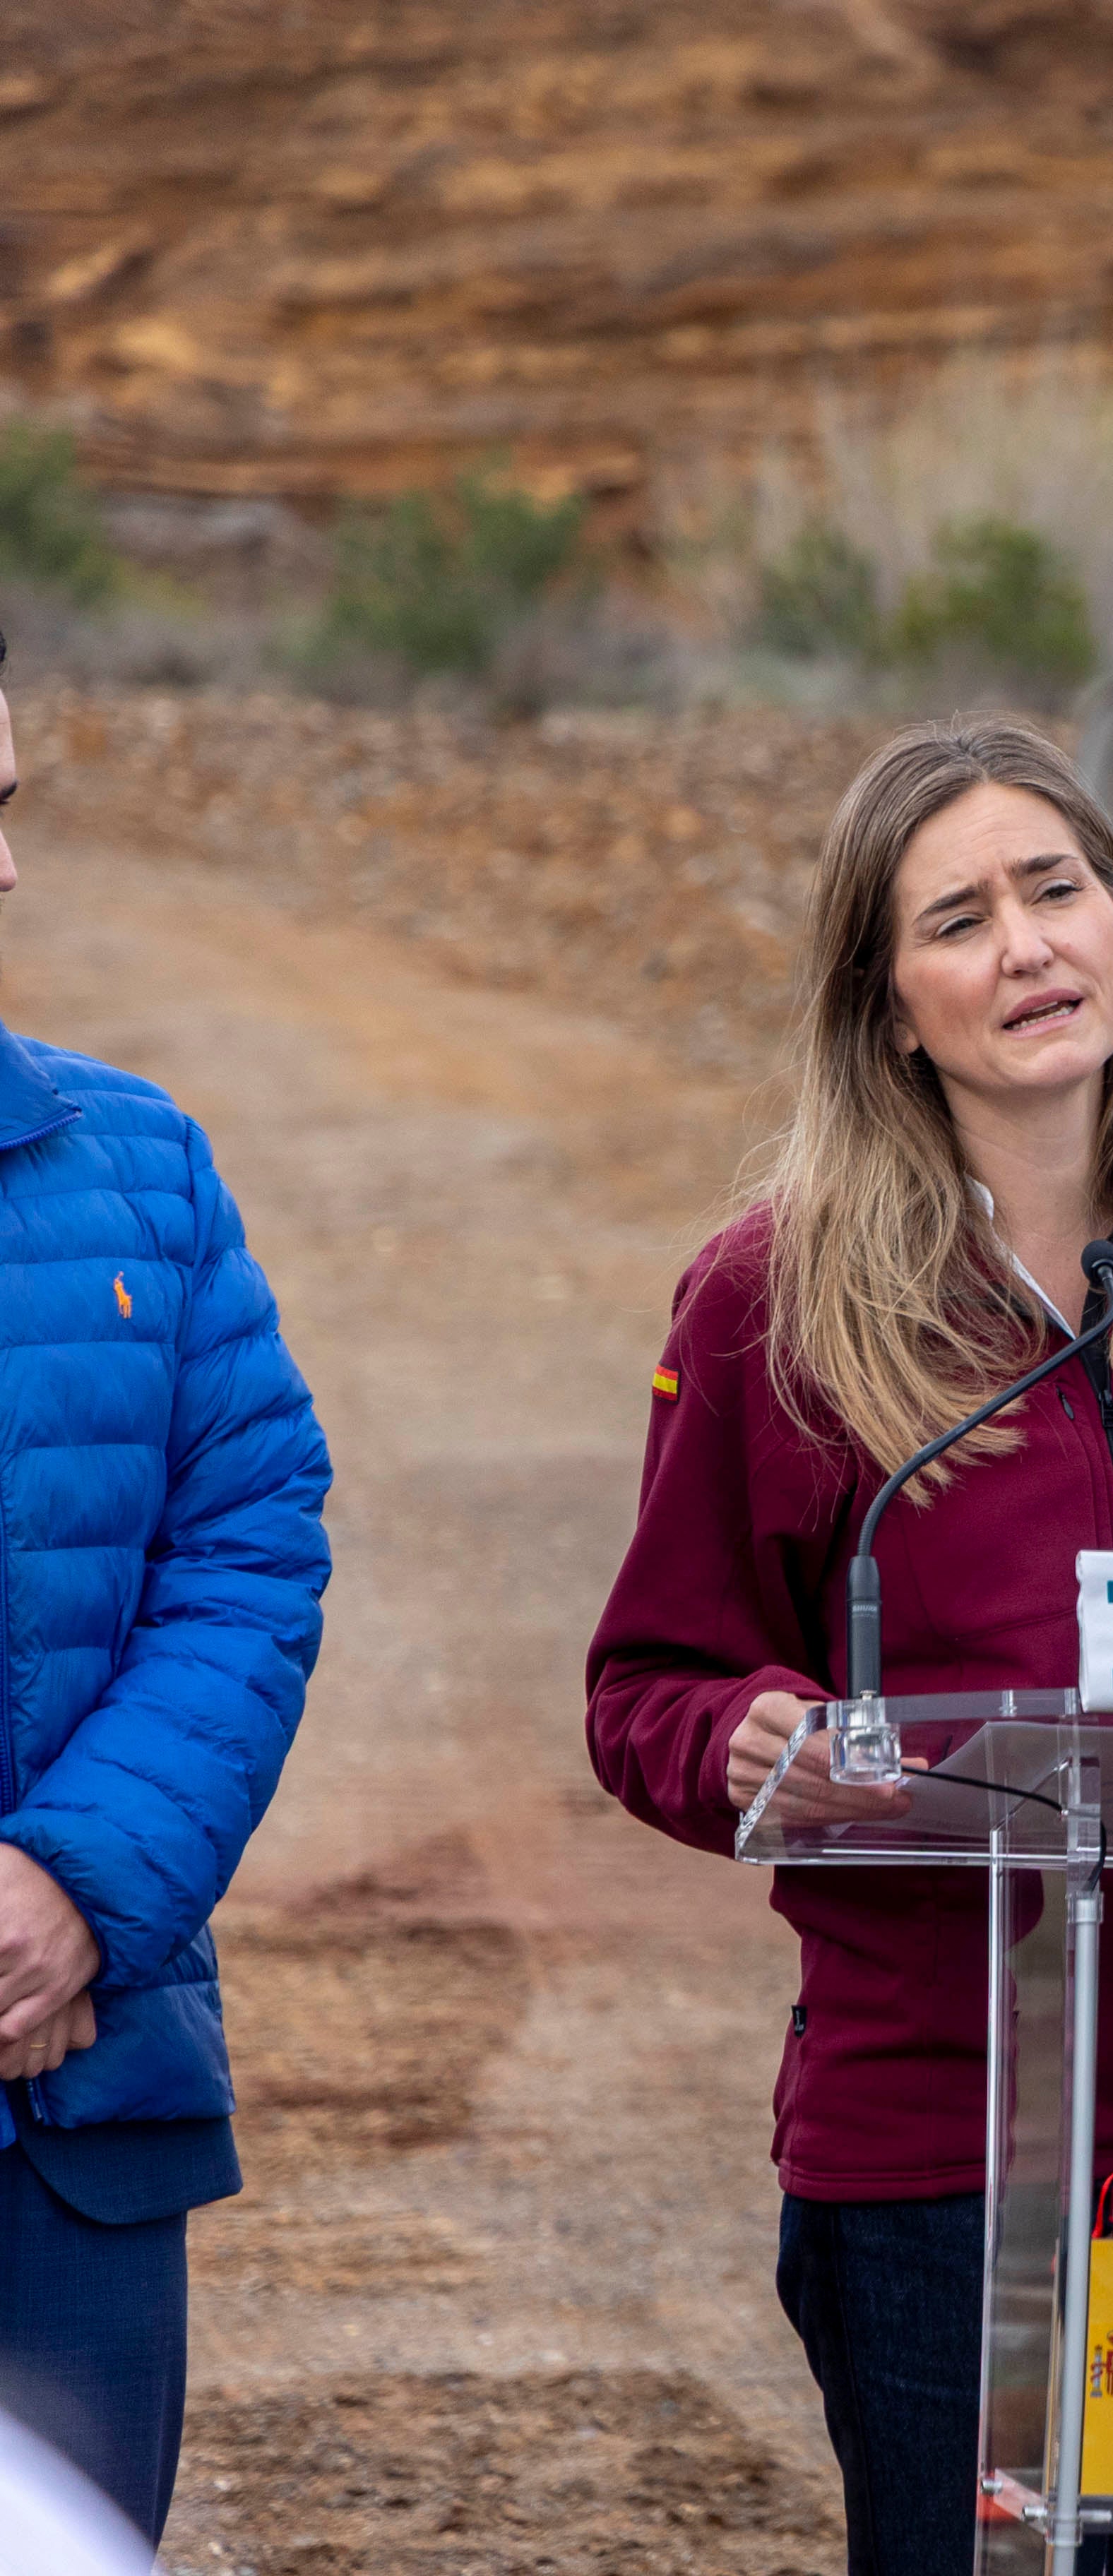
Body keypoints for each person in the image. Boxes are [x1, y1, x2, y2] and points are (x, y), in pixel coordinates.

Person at [583, 717, 1113, 2576]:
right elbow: (649, 1688)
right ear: (887, 1002)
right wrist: (742, 1740)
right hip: (951, 2157)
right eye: (960, 919)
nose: (1029, 948)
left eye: (1059, 891)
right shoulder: (770, 1303)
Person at [0, 631, 337, 2546]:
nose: (6, 871)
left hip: (72, 2136)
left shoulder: (142, 1168)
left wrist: (75, 1886)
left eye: (7, 810)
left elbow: (249, 1539)